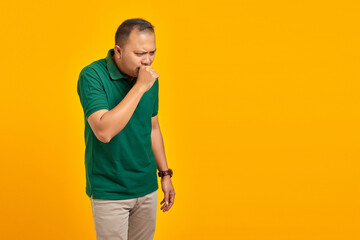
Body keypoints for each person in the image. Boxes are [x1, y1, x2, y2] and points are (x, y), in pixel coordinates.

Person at [77, 18, 175, 240]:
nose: (147, 61)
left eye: (152, 52)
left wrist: (165, 174)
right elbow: (104, 131)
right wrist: (140, 87)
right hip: (110, 190)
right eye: (140, 54)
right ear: (118, 51)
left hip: (146, 186)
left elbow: (153, 127)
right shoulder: (92, 76)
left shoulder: (149, 78)